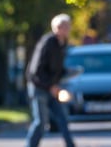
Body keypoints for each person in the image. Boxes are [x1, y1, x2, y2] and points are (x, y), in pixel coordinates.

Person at [25, 14, 75, 147]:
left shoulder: (62, 44)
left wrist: (69, 72)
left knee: (62, 119)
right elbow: (36, 71)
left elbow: (56, 68)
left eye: (67, 26)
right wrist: (50, 87)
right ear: (56, 28)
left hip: (52, 88)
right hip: (39, 87)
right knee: (41, 122)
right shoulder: (47, 42)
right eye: (64, 26)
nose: (67, 29)